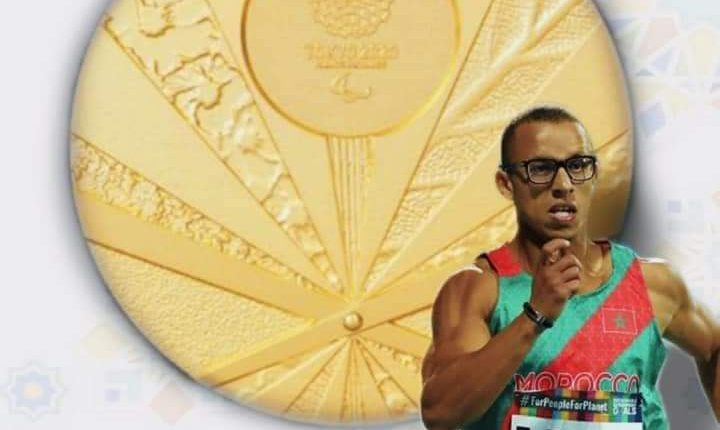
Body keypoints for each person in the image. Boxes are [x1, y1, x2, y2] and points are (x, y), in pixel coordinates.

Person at [419, 106, 719, 430]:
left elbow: (714, 347)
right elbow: (440, 412)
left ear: (594, 174)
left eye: (577, 166)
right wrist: (535, 315)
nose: (563, 184)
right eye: (541, 168)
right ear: (506, 184)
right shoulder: (478, 290)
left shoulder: (652, 284)